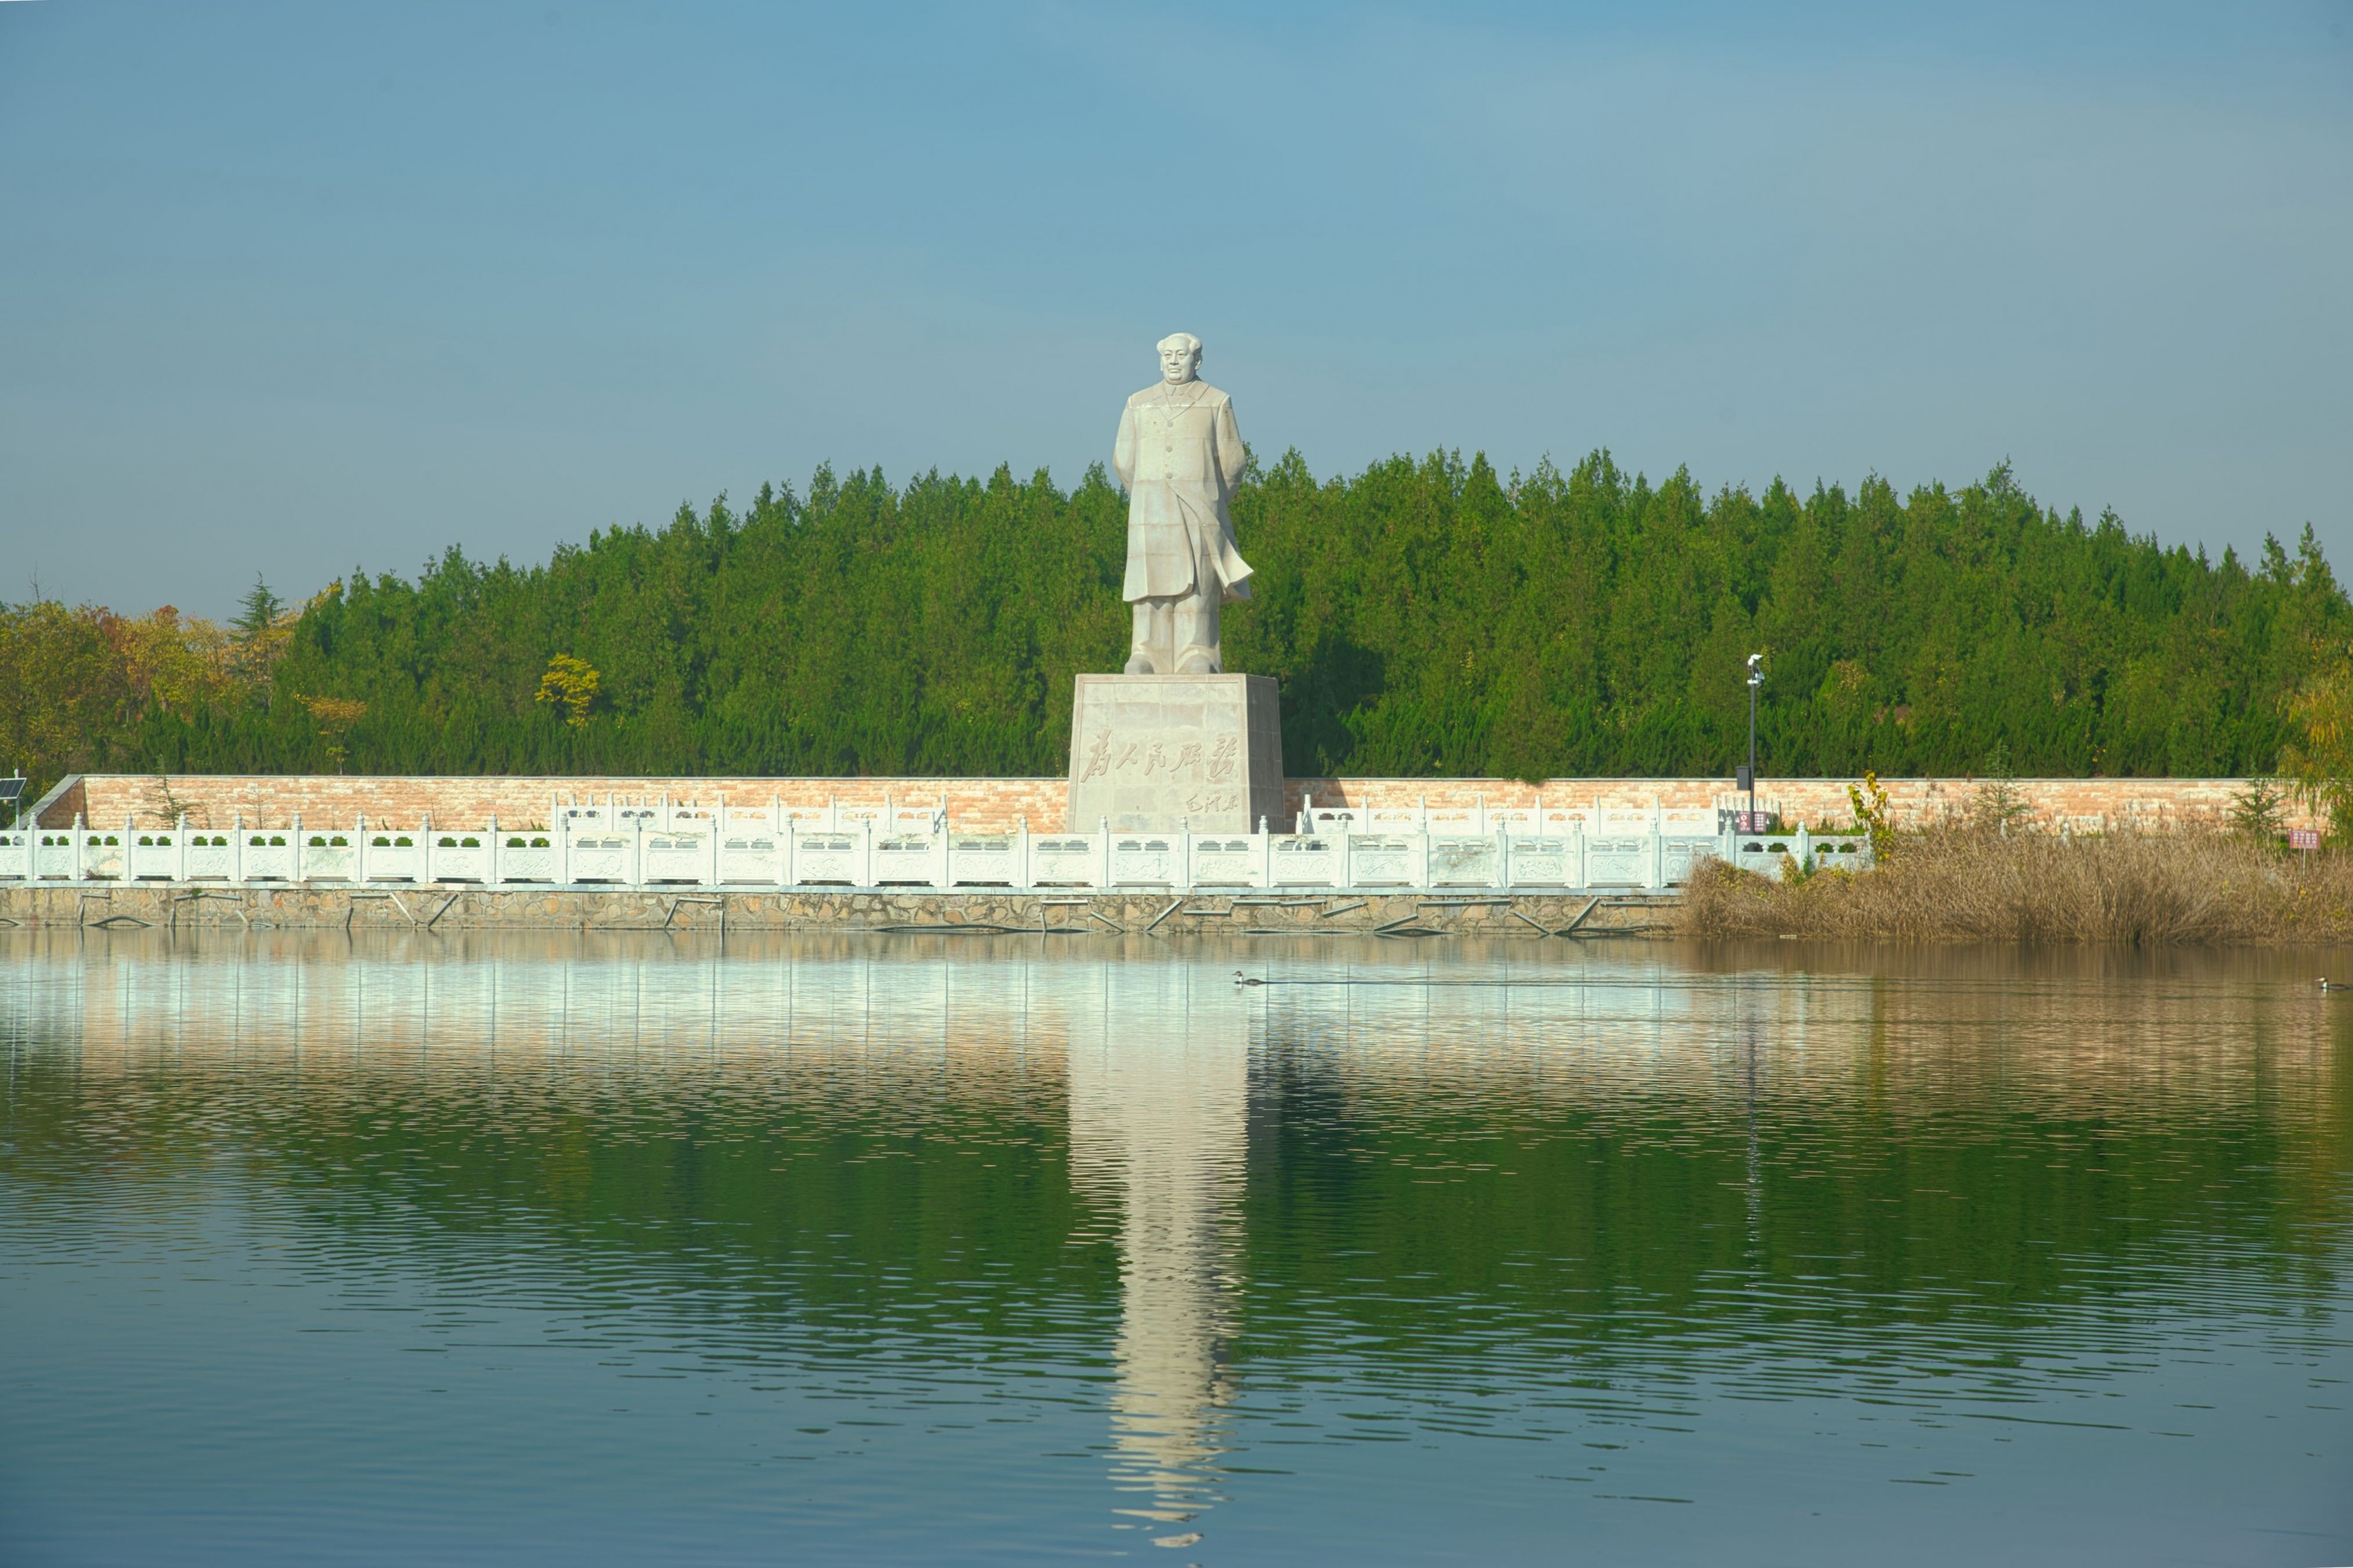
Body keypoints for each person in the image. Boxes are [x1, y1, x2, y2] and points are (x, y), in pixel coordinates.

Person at [1111, 333, 1253, 675]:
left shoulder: (1216, 401)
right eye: (1168, 356)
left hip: (1200, 509)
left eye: (1181, 355)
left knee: (1197, 584)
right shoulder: (1138, 402)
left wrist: (1211, 499)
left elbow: (1233, 465)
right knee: (1150, 584)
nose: (1174, 362)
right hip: (1151, 510)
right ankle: (1145, 652)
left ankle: (1197, 653)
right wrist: (1151, 496)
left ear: (1197, 361)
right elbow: (1123, 461)